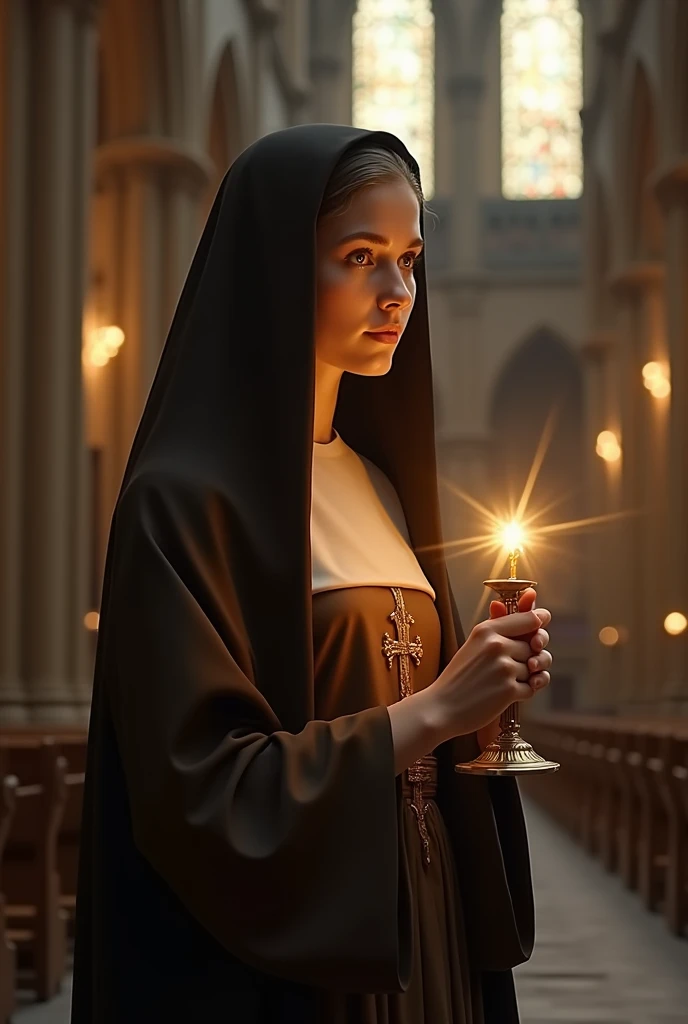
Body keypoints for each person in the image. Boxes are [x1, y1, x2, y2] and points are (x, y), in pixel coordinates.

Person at [70, 124, 553, 1024]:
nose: (397, 292)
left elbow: (424, 725)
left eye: (409, 258)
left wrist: (487, 705)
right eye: (360, 256)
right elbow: (201, 792)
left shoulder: (380, 486)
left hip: (425, 918)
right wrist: (444, 705)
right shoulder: (183, 503)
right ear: (275, 273)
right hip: (298, 959)